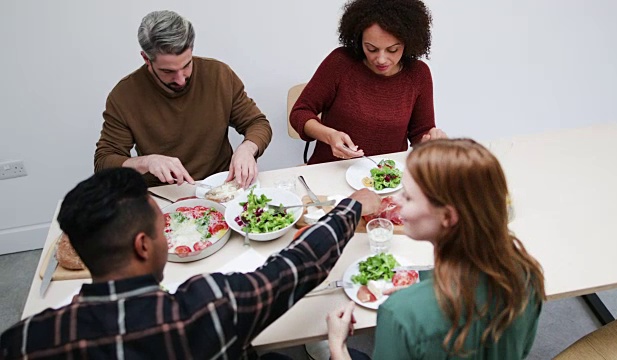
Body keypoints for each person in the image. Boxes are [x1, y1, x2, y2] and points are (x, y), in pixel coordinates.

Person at [0, 168, 380, 360]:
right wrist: (355, 205)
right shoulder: (204, 309)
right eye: (163, 228)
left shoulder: (23, 341)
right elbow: (298, 265)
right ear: (143, 244)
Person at [326, 139, 546, 359]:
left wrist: (337, 345)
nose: (395, 199)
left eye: (408, 196)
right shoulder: (528, 275)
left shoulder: (400, 313)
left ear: (448, 216)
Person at [94, 10, 272, 188]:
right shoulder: (124, 96)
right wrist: (146, 162)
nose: (180, 79)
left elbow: (257, 123)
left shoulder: (219, 75)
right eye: (168, 71)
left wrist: (247, 149)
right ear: (146, 59)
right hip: (164, 192)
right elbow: (104, 161)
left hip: (220, 186)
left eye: (187, 65)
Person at [289, 0, 447, 165]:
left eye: (393, 50)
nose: (381, 59)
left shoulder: (418, 74)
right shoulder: (340, 63)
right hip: (332, 170)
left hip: (387, 177)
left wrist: (431, 141)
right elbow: (300, 112)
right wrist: (329, 135)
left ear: (408, 43)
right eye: (371, 48)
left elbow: (420, 133)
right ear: (359, 39)